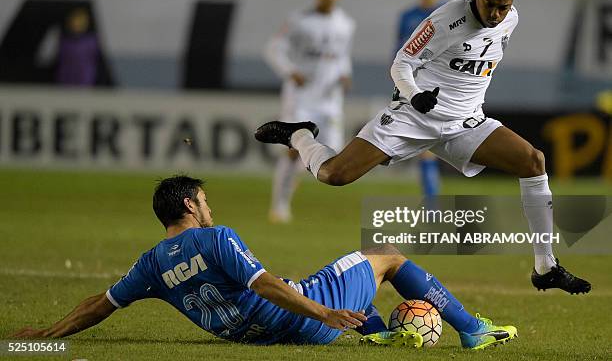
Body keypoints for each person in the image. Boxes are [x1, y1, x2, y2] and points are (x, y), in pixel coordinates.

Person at [255, 0, 591, 294]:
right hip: (414, 116)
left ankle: (545, 267)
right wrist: (415, 96)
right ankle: (299, 135)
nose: (496, 13)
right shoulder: (446, 20)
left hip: (465, 122)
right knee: (335, 174)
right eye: (490, 3)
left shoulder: (510, 19)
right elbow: (401, 62)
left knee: (533, 161)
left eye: (504, 6)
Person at [11, 175, 516, 350]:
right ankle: (472, 330)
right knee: (383, 256)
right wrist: (324, 315)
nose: (210, 208)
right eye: (204, 201)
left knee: (337, 278)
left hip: (258, 334)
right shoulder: (216, 238)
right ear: (189, 206)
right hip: (301, 318)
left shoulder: (151, 265)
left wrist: (47, 335)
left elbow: (100, 305)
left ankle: (381, 332)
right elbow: (265, 283)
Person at [264, 0, 355, 223]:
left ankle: (290, 184)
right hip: (301, 97)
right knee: (293, 150)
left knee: (333, 153)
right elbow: (273, 49)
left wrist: (346, 74)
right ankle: (280, 206)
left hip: (330, 100)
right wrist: (290, 71)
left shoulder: (345, 23)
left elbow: (342, 56)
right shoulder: (299, 20)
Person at [395, 0, 445, 203]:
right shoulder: (407, 16)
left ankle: (432, 205)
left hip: (441, 88)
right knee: (426, 148)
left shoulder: (448, 13)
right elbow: (397, 54)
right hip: (413, 89)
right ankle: (431, 204)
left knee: (429, 147)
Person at [56, 8, 99, 86]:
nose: (77, 25)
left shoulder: (92, 41)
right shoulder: (63, 40)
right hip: (65, 80)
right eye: (75, 21)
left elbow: (96, 60)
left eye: (81, 22)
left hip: (85, 81)